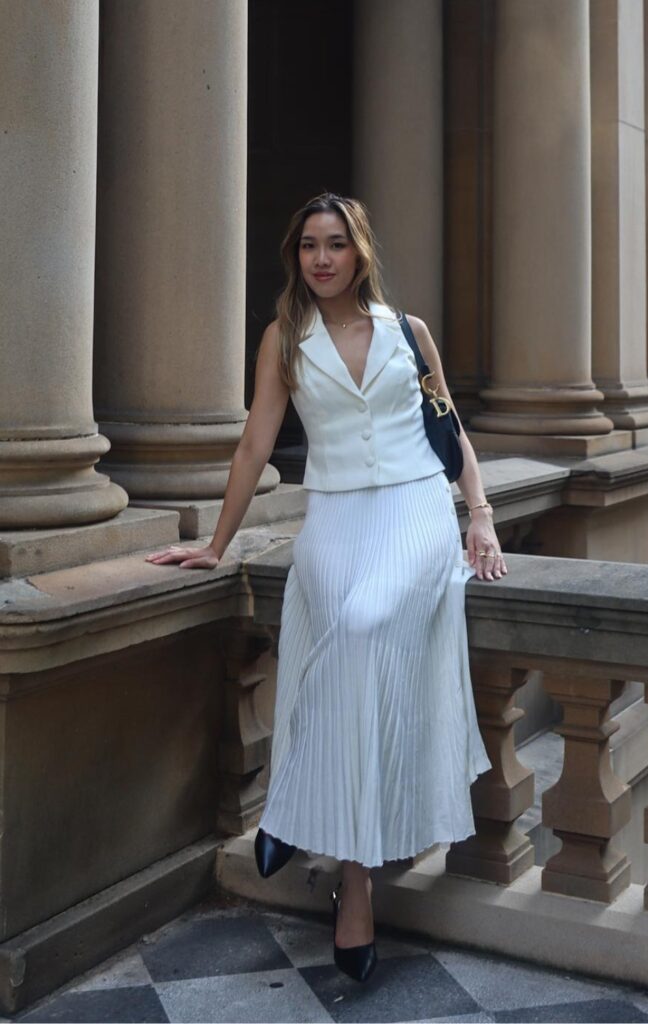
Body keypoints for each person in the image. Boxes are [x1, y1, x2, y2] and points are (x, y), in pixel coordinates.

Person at [146, 192, 506, 984]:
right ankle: (350, 872)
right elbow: (252, 447)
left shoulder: (407, 333)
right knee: (339, 635)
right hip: (336, 515)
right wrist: (214, 545)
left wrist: (477, 517)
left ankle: (302, 824)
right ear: (296, 256)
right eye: (308, 244)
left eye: (335, 244)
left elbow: (449, 432)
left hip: (413, 506)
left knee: (366, 624)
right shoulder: (283, 340)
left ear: (359, 252)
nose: (320, 258)